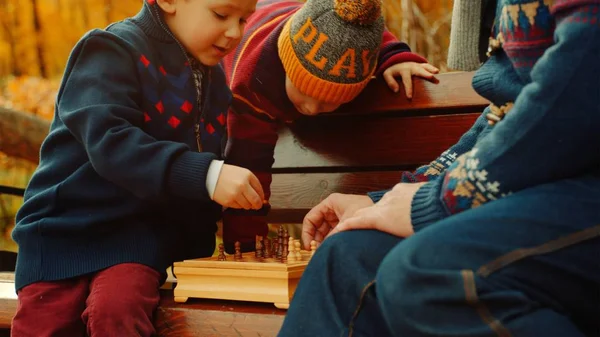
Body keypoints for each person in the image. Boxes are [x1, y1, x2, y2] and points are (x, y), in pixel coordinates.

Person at [279, 0, 600, 336]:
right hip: (545, 185)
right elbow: (505, 112)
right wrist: (387, 201)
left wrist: (440, 201)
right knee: (345, 256)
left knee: (426, 273)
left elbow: (580, 85)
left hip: (582, 180)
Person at [10, 0, 259, 336]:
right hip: (61, 232)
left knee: (118, 312)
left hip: (136, 242)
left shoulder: (214, 81)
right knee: (47, 322)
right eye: (221, 15)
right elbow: (112, 142)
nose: (235, 32)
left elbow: (197, 177)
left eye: (245, 19)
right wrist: (206, 175)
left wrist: (201, 253)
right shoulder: (110, 50)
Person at [219, 0, 439, 253]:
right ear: (286, 66)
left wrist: (395, 57)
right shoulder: (250, 83)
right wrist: (245, 250)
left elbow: (365, 37)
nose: (312, 109)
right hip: (257, 30)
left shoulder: (354, 41)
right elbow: (247, 168)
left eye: (329, 102)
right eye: (304, 91)